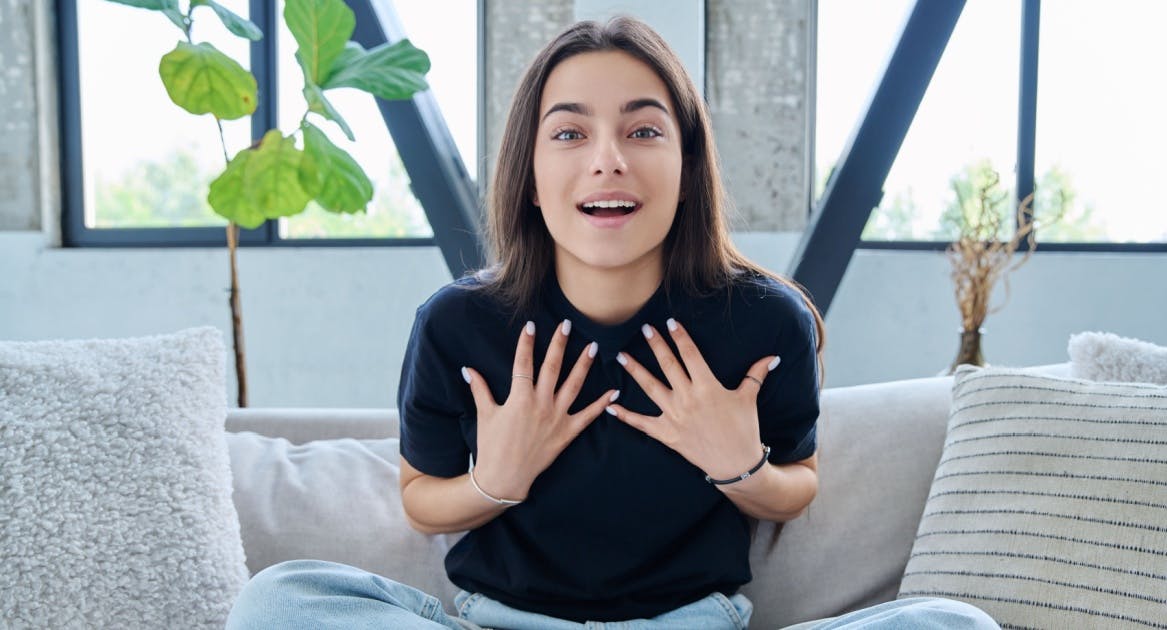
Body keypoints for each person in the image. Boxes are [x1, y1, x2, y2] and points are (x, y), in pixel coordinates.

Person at [226, 16, 999, 630]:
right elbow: (421, 496)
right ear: (530, 176)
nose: (608, 160)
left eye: (643, 130)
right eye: (569, 133)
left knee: (954, 623)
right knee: (278, 600)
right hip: (500, 623)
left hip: (693, 623)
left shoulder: (767, 319)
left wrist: (741, 467)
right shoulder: (457, 323)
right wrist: (497, 480)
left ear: (688, 166)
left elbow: (797, 485)